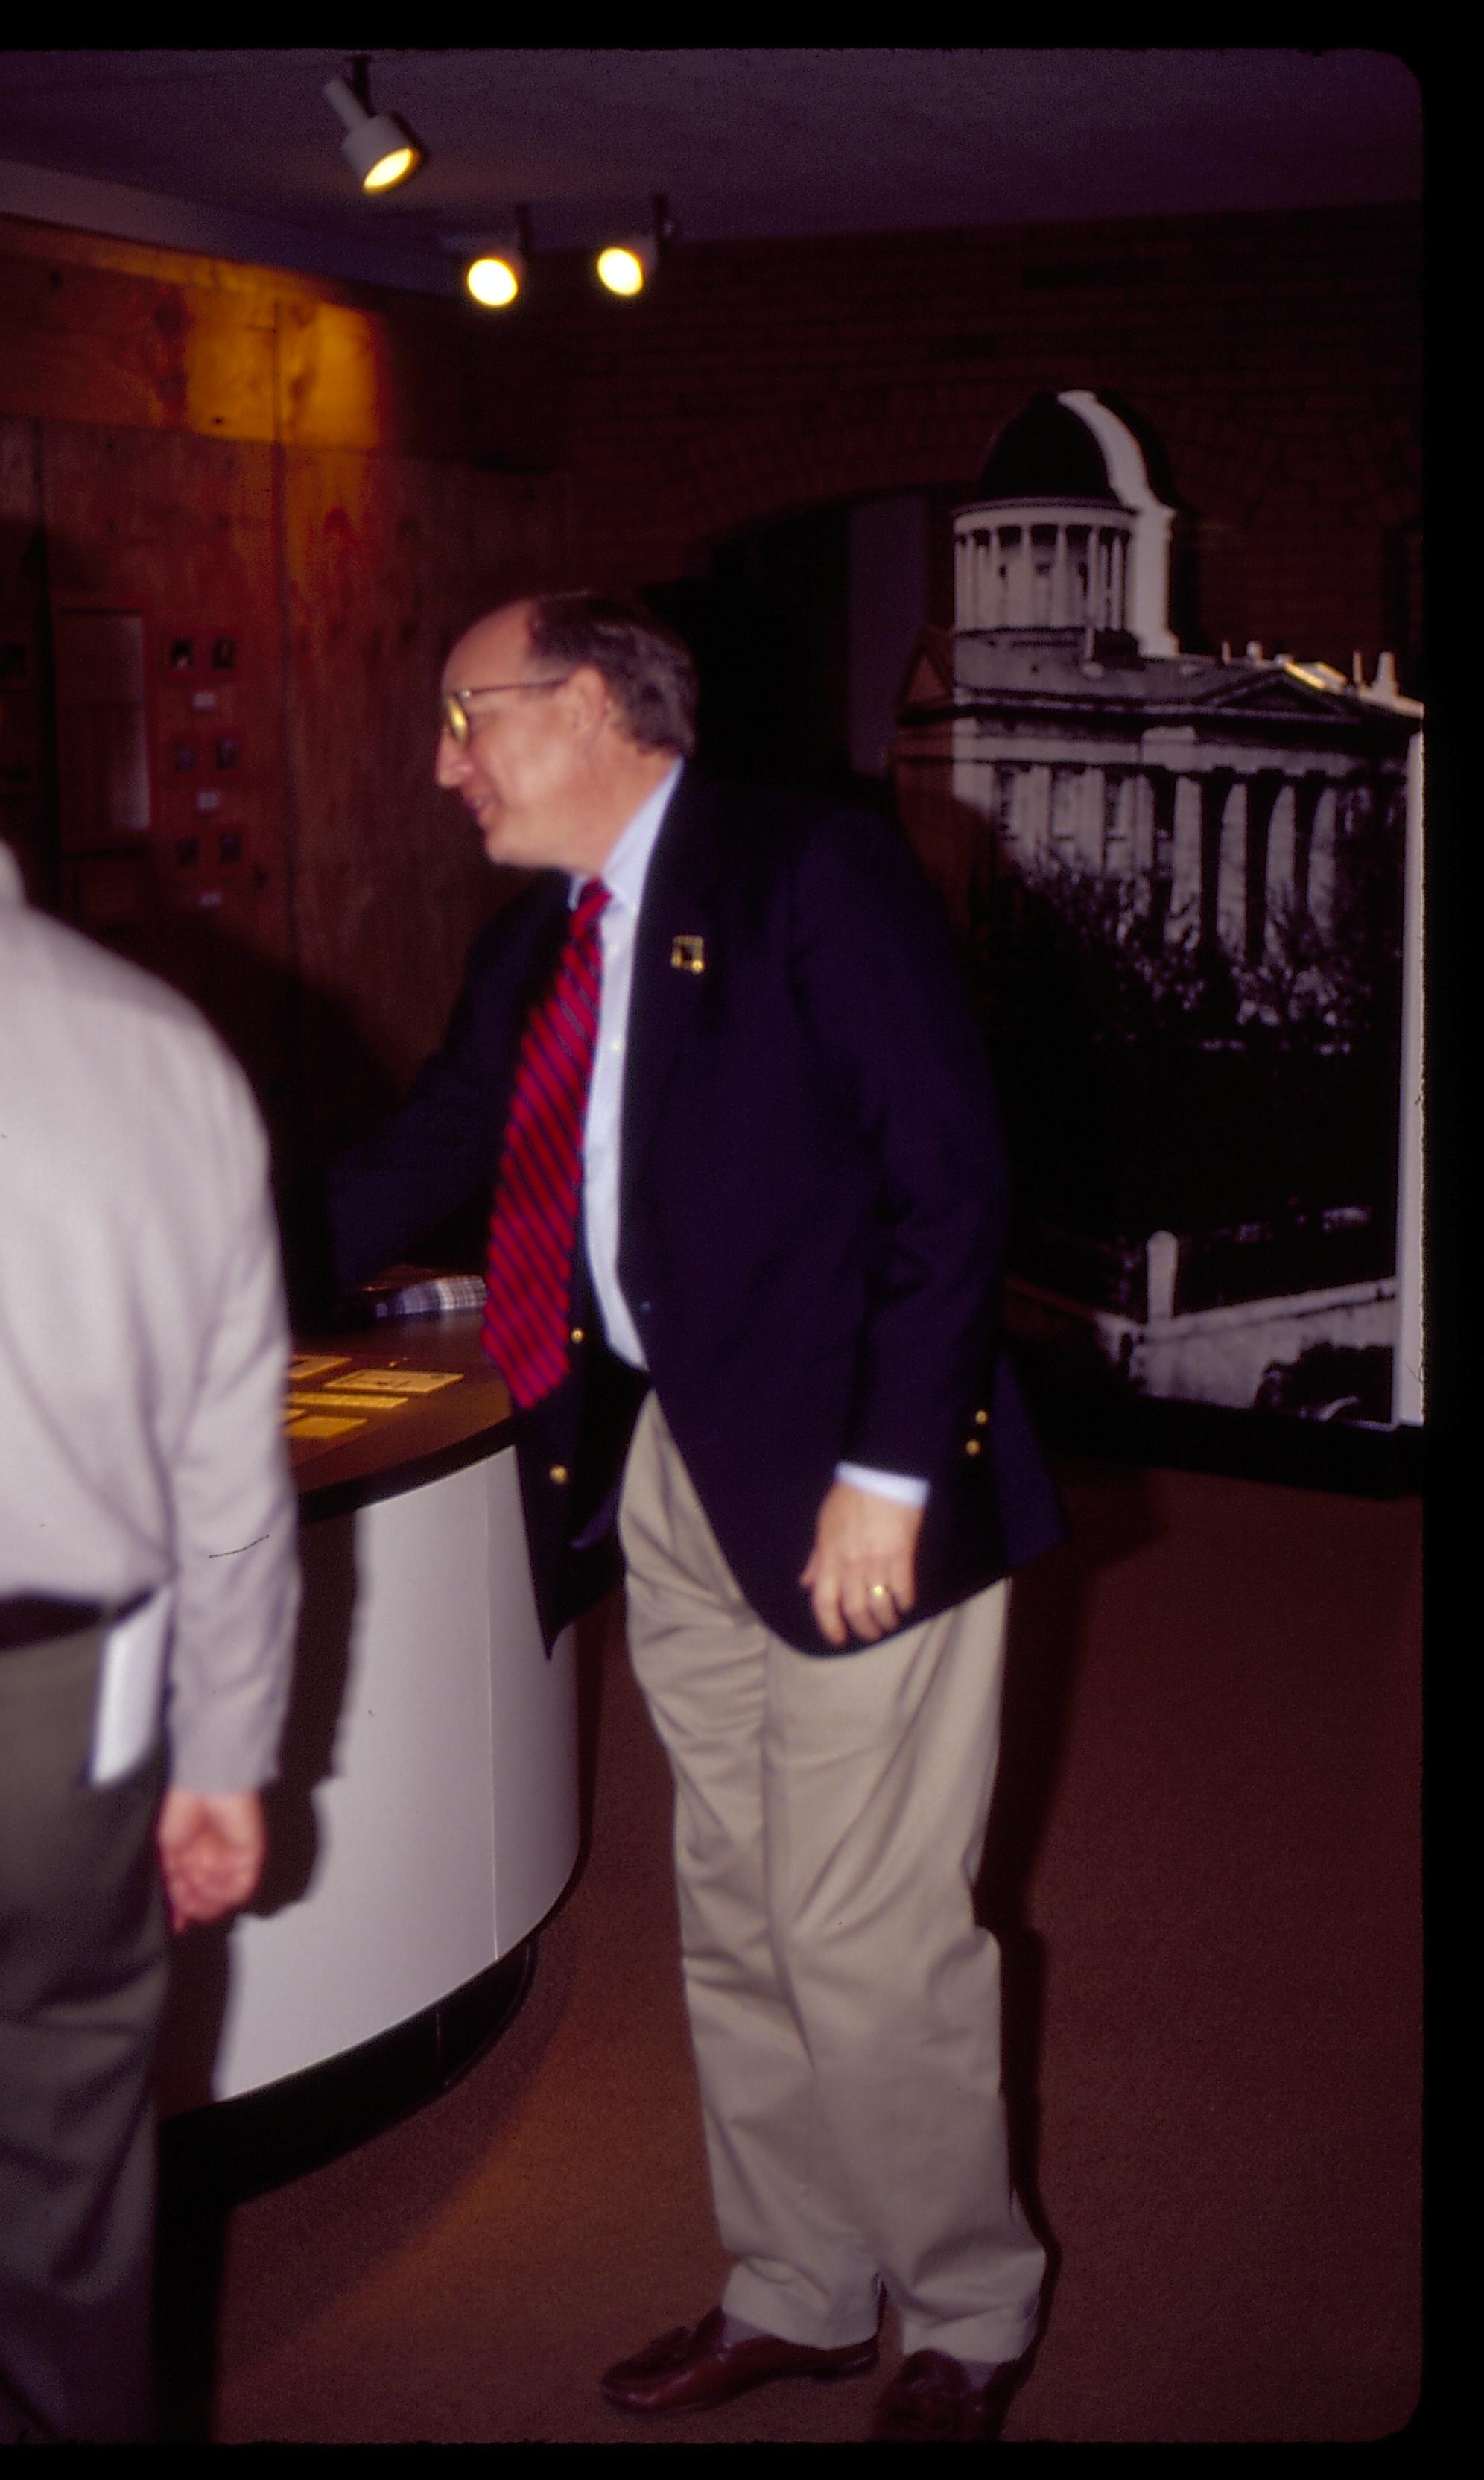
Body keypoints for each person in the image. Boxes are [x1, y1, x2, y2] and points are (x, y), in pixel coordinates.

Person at [329, 588, 1064, 2443]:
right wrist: (173, 1273)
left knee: (858, 1923)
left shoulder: (810, 870)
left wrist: (891, 1478)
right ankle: (801, 2284)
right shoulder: (539, 950)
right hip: (673, 1464)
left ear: (583, 705)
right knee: (731, 1899)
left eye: (461, 712)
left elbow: (951, 1182)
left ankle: (970, 2305)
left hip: (847, 1477)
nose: (442, 761)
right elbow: (427, 1158)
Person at [0, 530, 299, 2442]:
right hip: (74, 1753)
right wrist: (226, 1756)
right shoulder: (159, 1041)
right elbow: (229, 1469)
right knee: (63, 2290)